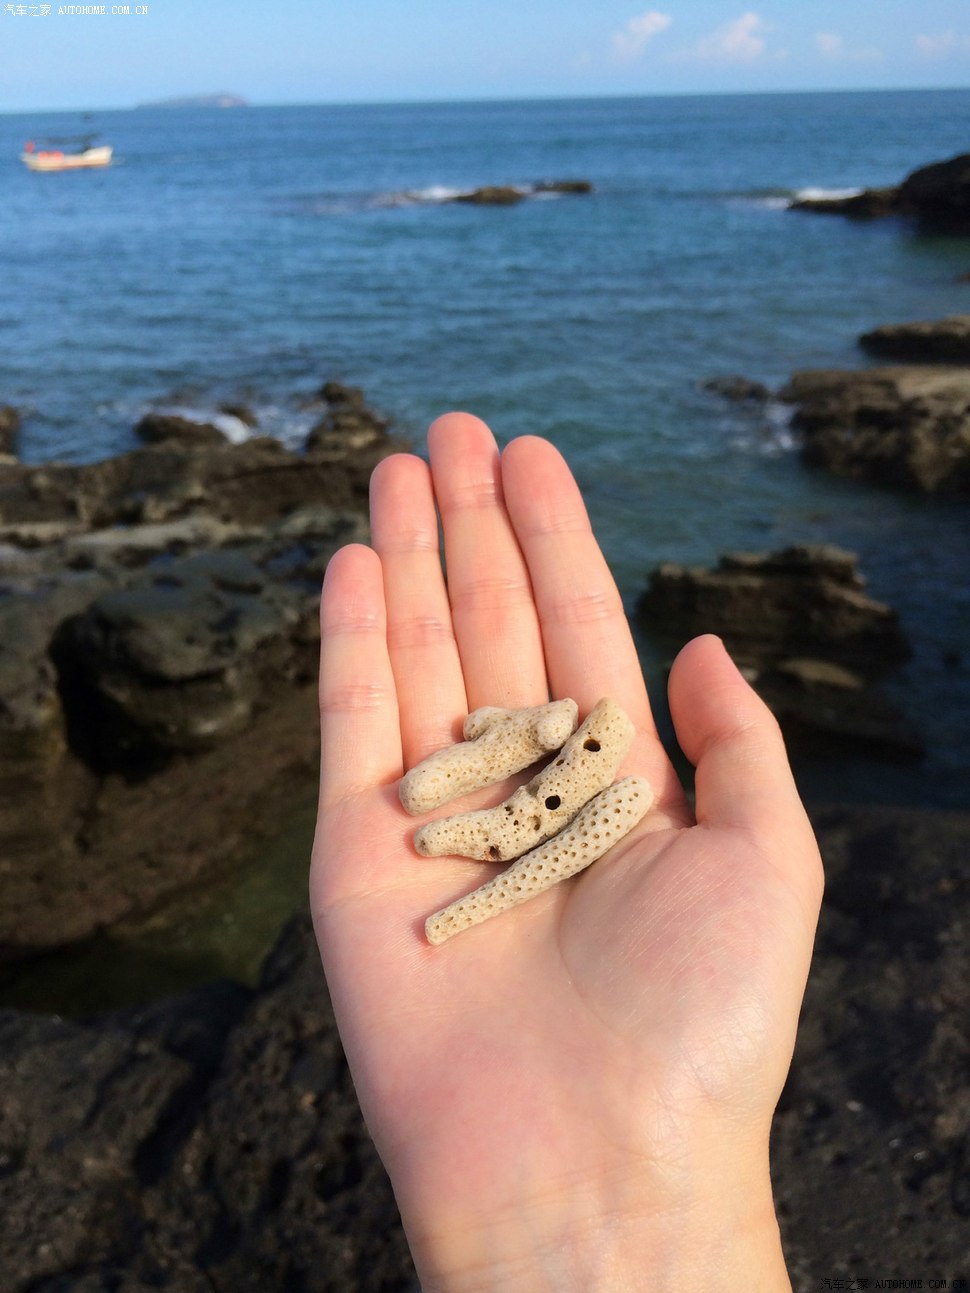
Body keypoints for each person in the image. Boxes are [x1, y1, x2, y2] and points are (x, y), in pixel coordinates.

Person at [310, 412, 823, 1291]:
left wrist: (506, 753)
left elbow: (521, 771)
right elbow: (498, 756)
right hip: (524, 791)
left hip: (537, 800)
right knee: (462, 819)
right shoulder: (556, 744)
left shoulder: (593, 769)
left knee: (478, 831)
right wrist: (502, 741)